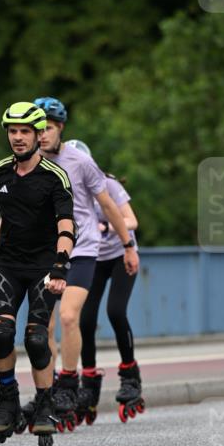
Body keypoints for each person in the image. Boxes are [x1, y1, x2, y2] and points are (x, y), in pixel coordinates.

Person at [0, 101, 75, 446]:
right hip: (9, 265)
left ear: (38, 133)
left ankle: (44, 406)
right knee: (1, 334)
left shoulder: (54, 177)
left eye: (24, 131)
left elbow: (66, 224)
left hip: (45, 267)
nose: (17, 138)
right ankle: (8, 398)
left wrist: (61, 264)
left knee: (36, 339)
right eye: (12, 131)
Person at [34, 96, 139, 426]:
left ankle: (110, 377)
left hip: (91, 252)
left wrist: (127, 244)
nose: (40, 135)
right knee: (55, 325)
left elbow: (113, 209)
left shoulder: (83, 164)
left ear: (60, 128)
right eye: (36, 129)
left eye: (47, 128)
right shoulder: (27, 162)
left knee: (98, 314)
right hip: (50, 253)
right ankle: (55, 390)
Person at [67, 140, 144, 424]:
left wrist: (107, 228)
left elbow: (131, 220)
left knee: (115, 311)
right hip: (93, 260)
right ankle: (88, 382)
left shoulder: (107, 184)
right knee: (85, 319)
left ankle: (130, 375)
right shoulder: (68, 191)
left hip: (121, 255)